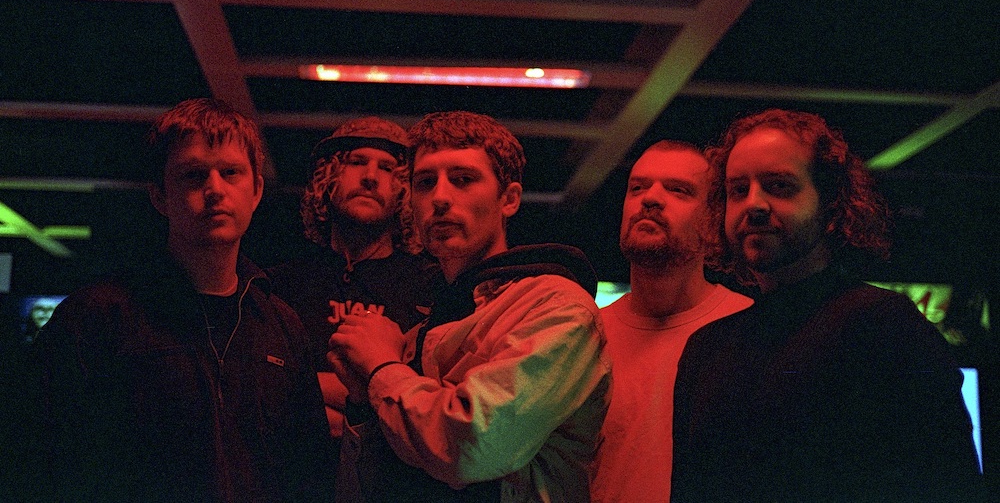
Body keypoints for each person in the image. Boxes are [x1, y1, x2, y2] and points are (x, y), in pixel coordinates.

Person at [25, 98, 335, 502]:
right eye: (193, 175)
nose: (215, 189)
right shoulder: (98, 316)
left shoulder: (280, 325)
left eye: (231, 172)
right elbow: (38, 460)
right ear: (160, 195)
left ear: (257, 190)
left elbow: (309, 473)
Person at [671, 109, 985, 503]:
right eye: (738, 190)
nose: (754, 204)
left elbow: (951, 485)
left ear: (830, 202)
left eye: (779, 186)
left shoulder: (885, 325)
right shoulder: (705, 348)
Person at [329, 110, 611, 502]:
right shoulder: (423, 326)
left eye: (463, 179)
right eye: (425, 182)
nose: (440, 198)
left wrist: (380, 368)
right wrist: (363, 403)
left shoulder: (558, 307)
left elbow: (474, 447)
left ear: (508, 199)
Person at [588, 141, 752, 503]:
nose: (650, 198)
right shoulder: (587, 335)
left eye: (678, 190)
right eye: (637, 187)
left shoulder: (749, 329)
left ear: (713, 219)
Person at [267, 117, 433, 464]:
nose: (370, 177)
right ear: (328, 177)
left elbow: (428, 402)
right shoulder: (279, 284)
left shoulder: (429, 287)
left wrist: (315, 393)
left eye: (386, 168)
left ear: (404, 189)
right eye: (357, 162)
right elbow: (260, 387)